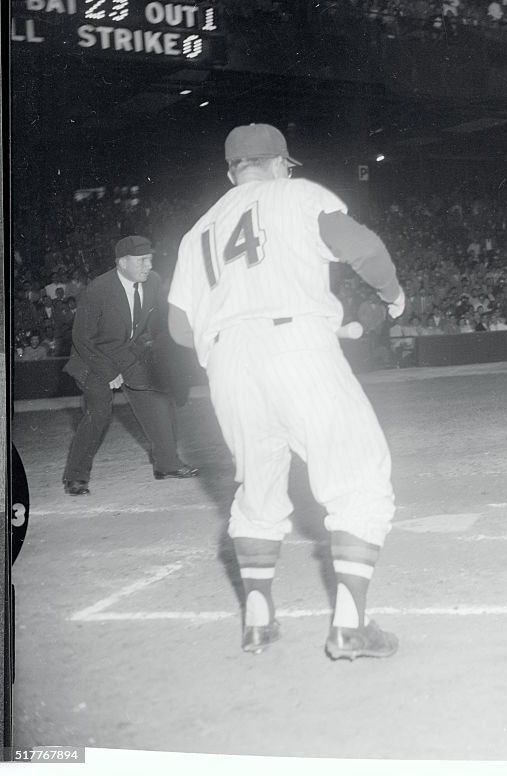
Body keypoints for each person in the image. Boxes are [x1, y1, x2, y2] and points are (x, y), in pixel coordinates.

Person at [167, 123, 405, 662]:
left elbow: (181, 328)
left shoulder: (197, 229)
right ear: (278, 163)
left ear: (232, 172)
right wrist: (393, 295)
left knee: (258, 487)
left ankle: (258, 618)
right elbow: (361, 247)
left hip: (227, 364)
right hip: (296, 342)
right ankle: (350, 625)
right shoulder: (298, 192)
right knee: (359, 478)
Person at [61, 236, 198, 496]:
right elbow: (81, 339)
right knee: (98, 412)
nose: (148, 265)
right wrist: (108, 372)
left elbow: (156, 320)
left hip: (127, 352)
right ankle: (75, 477)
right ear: (122, 262)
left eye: (150, 259)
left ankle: (167, 465)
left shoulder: (154, 281)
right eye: (142, 260)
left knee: (158, 399)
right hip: (93, 357)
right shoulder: (98, 290)